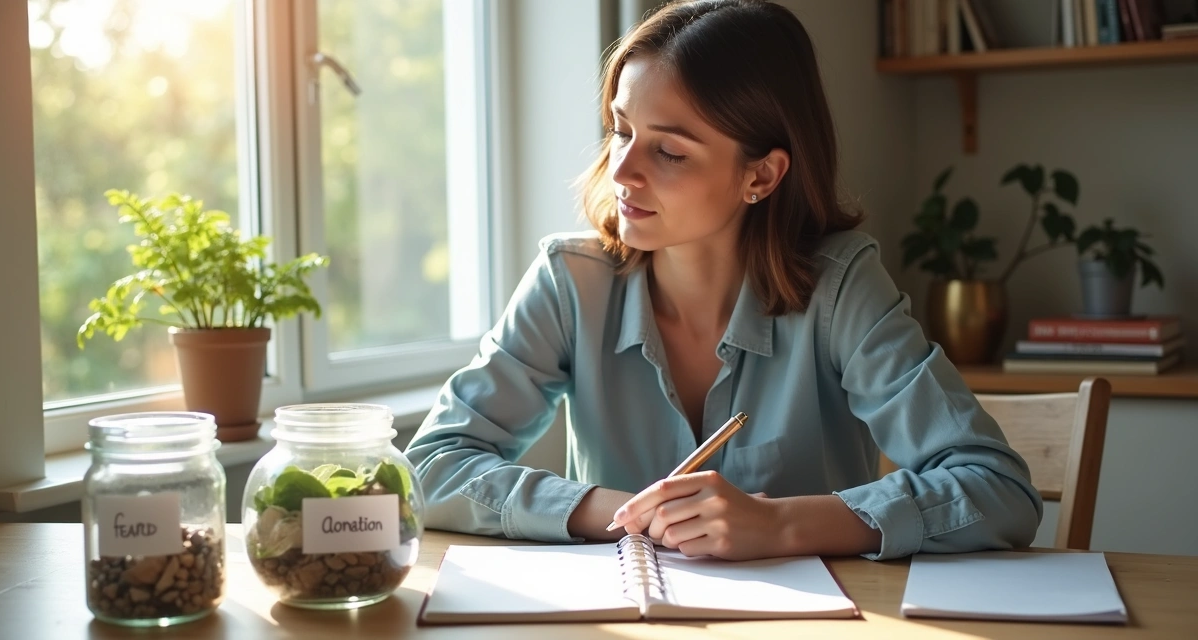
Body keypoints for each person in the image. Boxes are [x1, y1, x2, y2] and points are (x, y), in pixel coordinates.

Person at [404, 0, 1042, 561]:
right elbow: (428, 468)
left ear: (760, 177)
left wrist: (780, 524)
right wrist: (622, 512)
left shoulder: (841, 287)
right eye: (621, 130)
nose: (621, 169)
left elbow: (998, 488)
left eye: (670, 151)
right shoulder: (570, 282)